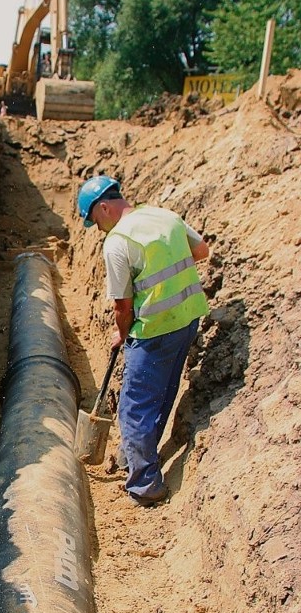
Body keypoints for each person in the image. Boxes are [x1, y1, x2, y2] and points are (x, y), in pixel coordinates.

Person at [77, 175, 209, 507]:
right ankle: (131, 459)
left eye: (96, 223)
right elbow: (201, 251)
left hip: (153, 331)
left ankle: (144, 485)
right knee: (162, 393)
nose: (99, 230)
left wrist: (121, 333)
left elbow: (122, 305)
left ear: (104, 208)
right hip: (187, 320)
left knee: (134, 408)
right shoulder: (165, 216)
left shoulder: (118, 242)